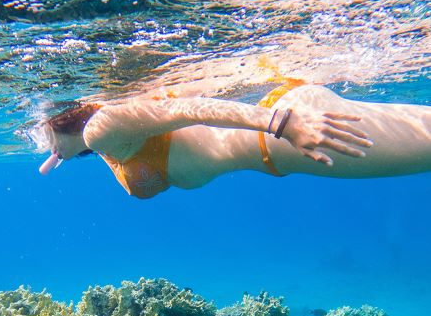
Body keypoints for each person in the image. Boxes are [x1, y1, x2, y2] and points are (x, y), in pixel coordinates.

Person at [32, 80, 431, 198]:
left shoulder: (100, 129)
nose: (48, 151)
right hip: (279, 141)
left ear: (59, 118)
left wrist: (282, 124)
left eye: (44, 134)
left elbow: (185, 109)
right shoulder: (102, 142)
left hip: (285, 137)